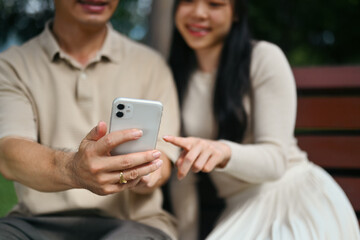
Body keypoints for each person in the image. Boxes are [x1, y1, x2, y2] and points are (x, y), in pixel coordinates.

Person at [163, 0, 360, 239]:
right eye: (188, 1)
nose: (199, 13)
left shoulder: (264, 57)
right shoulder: (175, 74)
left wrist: (223, 151)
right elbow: (183, 176)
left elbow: (275, 160)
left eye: (215, 4)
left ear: (236, 13)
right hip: (241, 209)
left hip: (294, 200)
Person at [0, 0, 180, 239]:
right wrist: (74, 169)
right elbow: (9, 155)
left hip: (132, 224)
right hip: (34, 224)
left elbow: (164, 160)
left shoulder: (151, 65)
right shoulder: (12, 66)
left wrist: (146, 173)